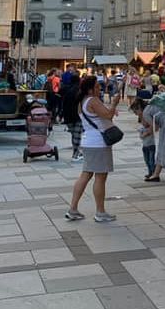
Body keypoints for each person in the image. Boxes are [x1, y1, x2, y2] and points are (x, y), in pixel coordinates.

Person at [66, 75, 118, 222]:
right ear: (90, 89)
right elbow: (108, 116)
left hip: (88, 141)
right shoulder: (93, 100)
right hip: (98, 143)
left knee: (85, 175)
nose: (99, 88)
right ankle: (100, 212)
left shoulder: (81, 102)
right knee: (100, 177)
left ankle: (73, 208)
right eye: (96, 86)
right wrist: (114, 104)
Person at [63, 73, 84, 161]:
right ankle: (75, 154)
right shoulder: (79, 90)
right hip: (77, 115)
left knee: (74, 135)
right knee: (77, 135)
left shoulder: (65, 89)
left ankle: (77, 152)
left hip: (67, 115)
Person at [133, 98, 156, 178]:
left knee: (151, 160)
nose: (135, 114)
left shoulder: (146, 114)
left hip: (151, 143)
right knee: (147, 160)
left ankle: (154, 173)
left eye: (135, 111)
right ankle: (150, 172)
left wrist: (145, 133)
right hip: (145, 144)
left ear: (139, 108)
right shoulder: (143, 115)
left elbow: (153, 127)